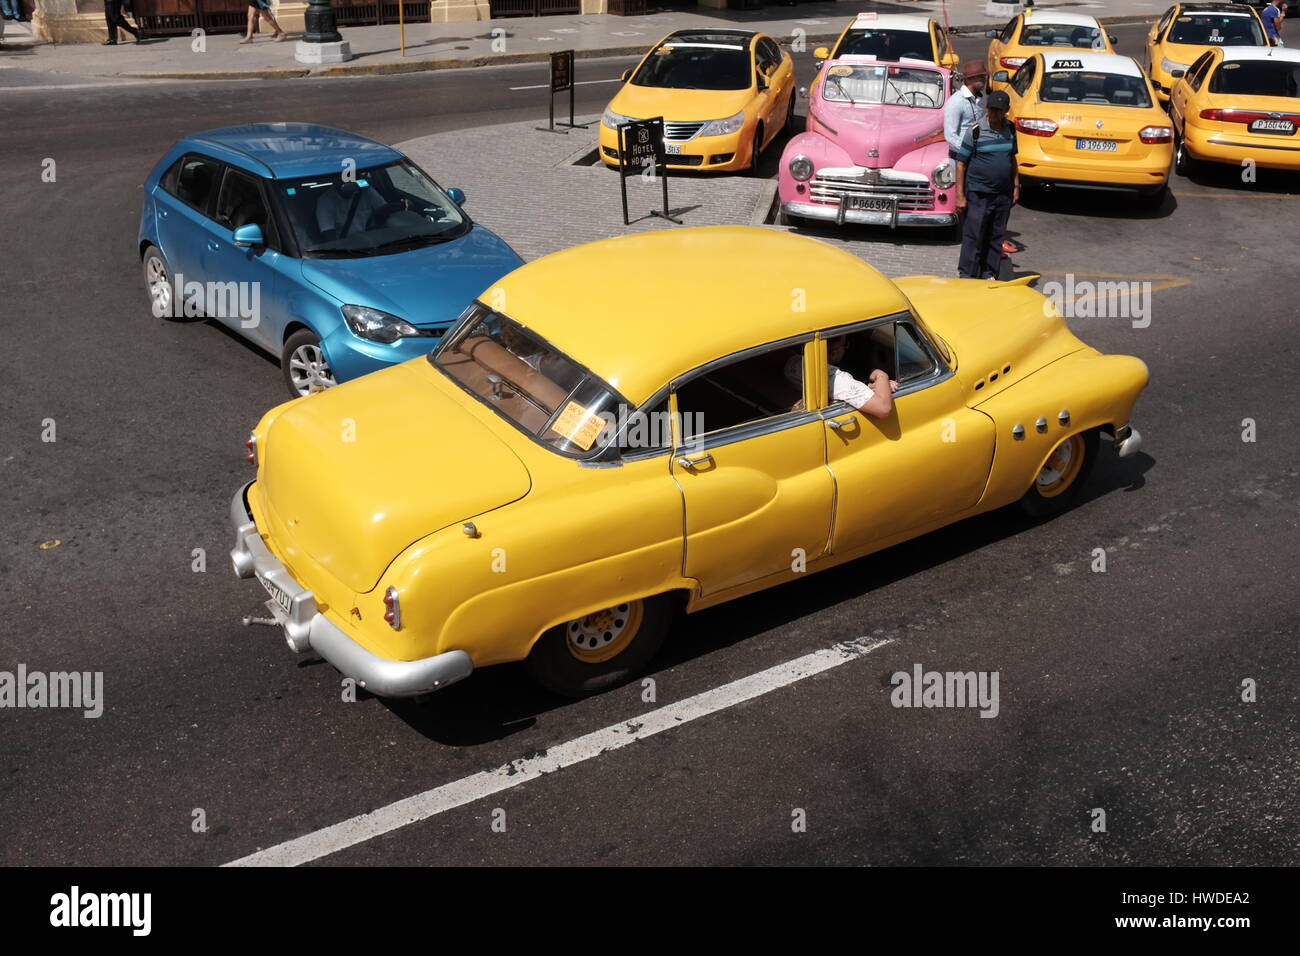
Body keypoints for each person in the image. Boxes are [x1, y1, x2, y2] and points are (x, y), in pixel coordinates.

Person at [953, 89, 1020, 280]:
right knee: (974, 235)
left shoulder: (1011, 129)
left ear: (1006, 110)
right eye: (991, 109)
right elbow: (961, 163)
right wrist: (960, 195)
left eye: (999, 110)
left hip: (1003, 194)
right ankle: (967, 275)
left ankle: (989, 273)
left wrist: (1016, 186)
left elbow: (1012, 159)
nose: (994, 114)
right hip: (978, 194)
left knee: (996, 235)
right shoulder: (975, 131)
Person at [784, 338, 897, 420]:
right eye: (845, 345)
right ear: (834, 353)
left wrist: (872, 387)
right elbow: (883, 409)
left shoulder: (795, 362)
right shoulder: (836, 379)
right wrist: (881, 375)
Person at [944, 59, 987, 154]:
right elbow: (950, 136)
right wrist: (967, 151)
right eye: (979, 77)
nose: (984, 79)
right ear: (968, 79)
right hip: (959, 155)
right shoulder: (956, 101)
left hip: (976, 155)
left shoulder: (981, 101)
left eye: (984, 76)